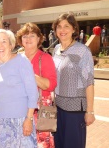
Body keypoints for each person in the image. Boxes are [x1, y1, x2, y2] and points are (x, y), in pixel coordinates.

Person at [0, 29, 38, 148]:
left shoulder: (21, 61)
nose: (0, 46)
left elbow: (33, 93)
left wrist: (29, 119)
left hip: (20, 122)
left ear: (11, 45)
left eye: (4, 41)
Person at [51, 12, 95, 148]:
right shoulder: (56, 50)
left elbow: (89, 82)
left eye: (66, 26)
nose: (62, 30)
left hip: (75, 111)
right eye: (59, 26)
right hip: (57, 108)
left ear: (74, 29)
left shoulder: (83, 51)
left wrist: (90, 111)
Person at [16, 23, 57, 148]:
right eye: (25, 36)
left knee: (40, 144)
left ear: (39, 38)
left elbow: (50, 85)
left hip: (40, 110)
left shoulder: (45, 58)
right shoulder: (17, 58)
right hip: (20, 108)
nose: (28, 39)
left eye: (32, 36)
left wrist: (29, 74)